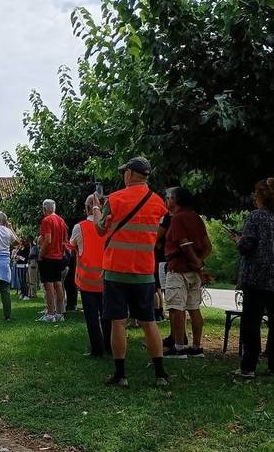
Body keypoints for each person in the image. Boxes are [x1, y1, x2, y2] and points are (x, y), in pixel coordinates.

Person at [90, 156, 168, 388]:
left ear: (130, 174)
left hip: (116, 270)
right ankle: (160, 374)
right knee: (148, 321)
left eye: (125, 172)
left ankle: (121, 375)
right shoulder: (158, 202)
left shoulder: (114, 199)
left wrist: (96, 208)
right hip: (144, 270)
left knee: (118, 322)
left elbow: (100, 230)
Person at [231, 177, 274, 379]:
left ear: (262, 196)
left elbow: (247, 246)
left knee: (251, 323)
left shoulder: (256, 217)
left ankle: (248, 367)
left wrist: (238, 240)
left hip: (258, 277)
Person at [162, 187, 212, 359]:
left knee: (176, 308)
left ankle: (179, 348)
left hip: (178, 268)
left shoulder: (177, 219)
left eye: (168, 197)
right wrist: (199, 263)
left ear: (175, 200)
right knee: (194, 308)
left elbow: (184, 245)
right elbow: (208, 246)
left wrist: (198, 265)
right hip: (193, 271)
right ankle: (197, 347)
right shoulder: (196, 217)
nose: (166, 200)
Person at [71, 194, 111, 357]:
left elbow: (73, 244)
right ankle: (110, 345)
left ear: (87, 208)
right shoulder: (109, 226)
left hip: (87, 279)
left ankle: (97, 349)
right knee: (107, 315)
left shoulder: (79, 227)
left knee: (91, 316)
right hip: (106, 276)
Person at [37, 199, 68, 323]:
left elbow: (48, 239)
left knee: (48, 285)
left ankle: (50, 314)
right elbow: (65, 240)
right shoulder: (61, 221)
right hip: (59, 256)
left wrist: (40, 254)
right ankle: (60, 313)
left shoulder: (46, 220)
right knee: (58, 283)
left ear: (45, 209)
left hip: (49, 256)